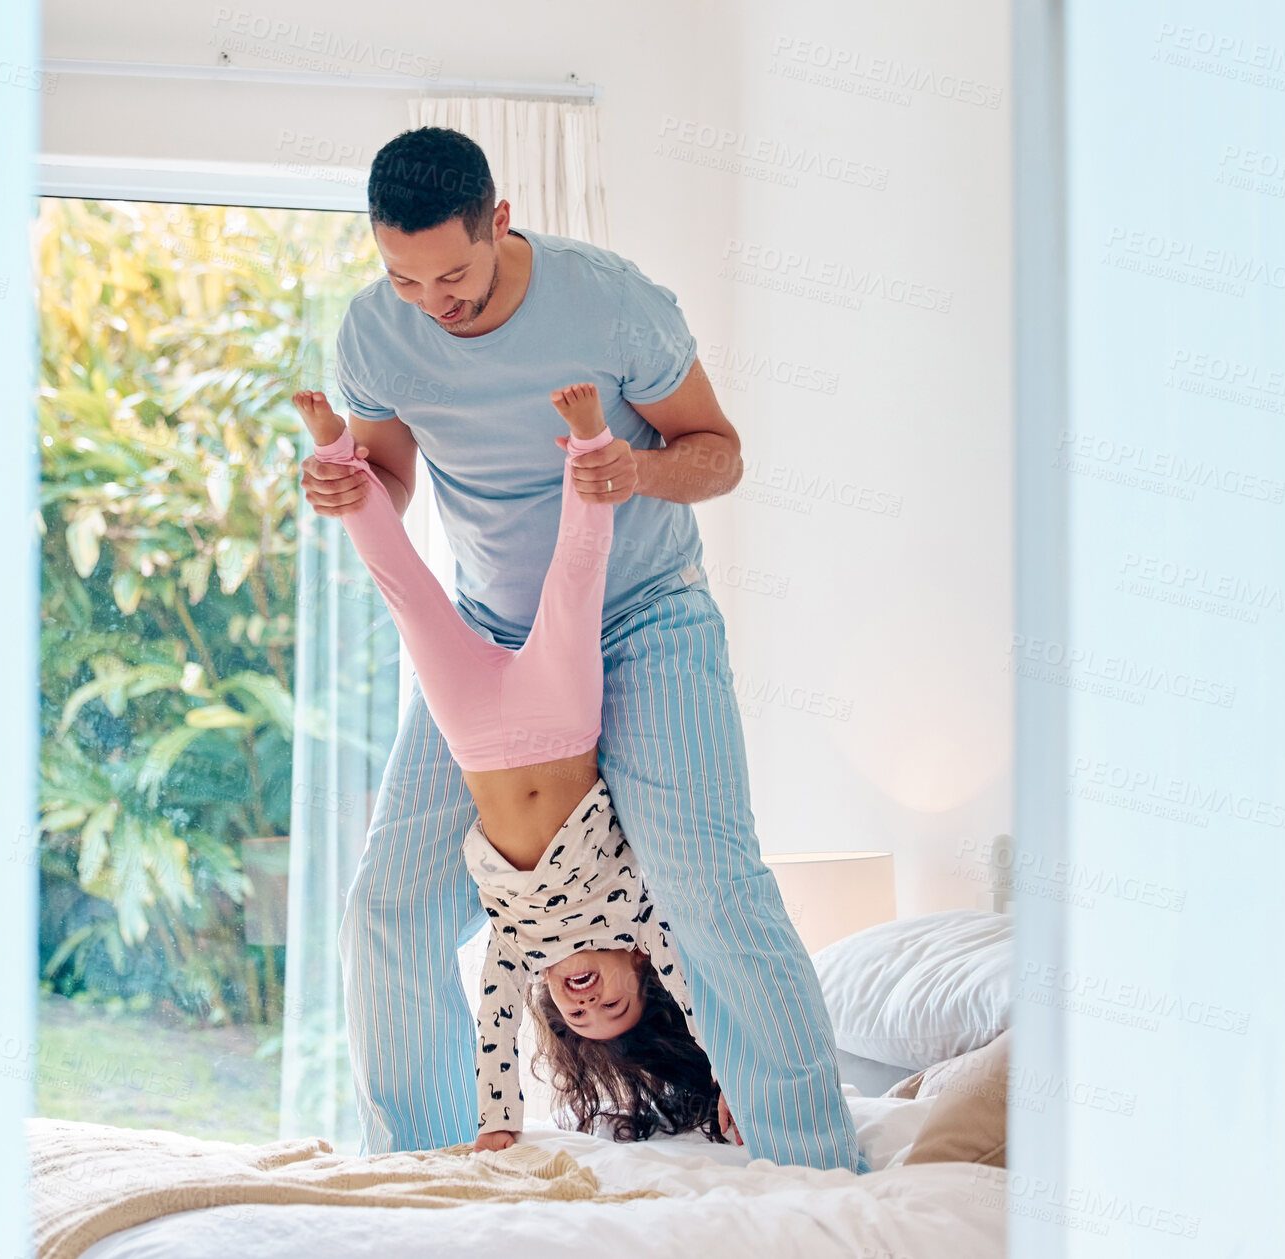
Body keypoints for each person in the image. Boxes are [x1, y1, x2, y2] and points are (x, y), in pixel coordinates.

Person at [300, 125, 866, 1172]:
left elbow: (719, 453)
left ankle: (817, 1172)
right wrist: (348, 485)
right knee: (386, 906)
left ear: (499, 220)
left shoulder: (611, 300)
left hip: (644, 614)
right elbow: (388, 476)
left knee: (710, 888)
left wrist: (633, 477)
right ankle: (426, 1176)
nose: (432, 299)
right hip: (489, 640)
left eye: (452, 273)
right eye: (404, 276)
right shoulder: (375, 334)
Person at [295, 381, 734, 1150]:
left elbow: (494, 1035)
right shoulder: (640, 918)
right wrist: (731, 1074)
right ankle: (590, 444)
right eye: (614, 1007)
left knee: (403, 588)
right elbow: (700, 1002)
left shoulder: (517, 947)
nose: (587, 1004)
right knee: (575, 580)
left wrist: (498, 1130)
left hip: (472, 736)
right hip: (560, 724)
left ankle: (336, 450)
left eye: (578, 1018)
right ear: (639, 969)